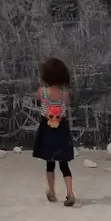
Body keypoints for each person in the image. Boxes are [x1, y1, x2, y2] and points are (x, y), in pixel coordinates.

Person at [32, 57, 75, 206]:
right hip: (61, 128)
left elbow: (39, 100)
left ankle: (51, 191)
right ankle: (70, 193)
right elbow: (67, 103)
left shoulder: (42, 92)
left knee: (50, 163)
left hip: (47, 128)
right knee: (64, 164)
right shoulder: (64, 94)